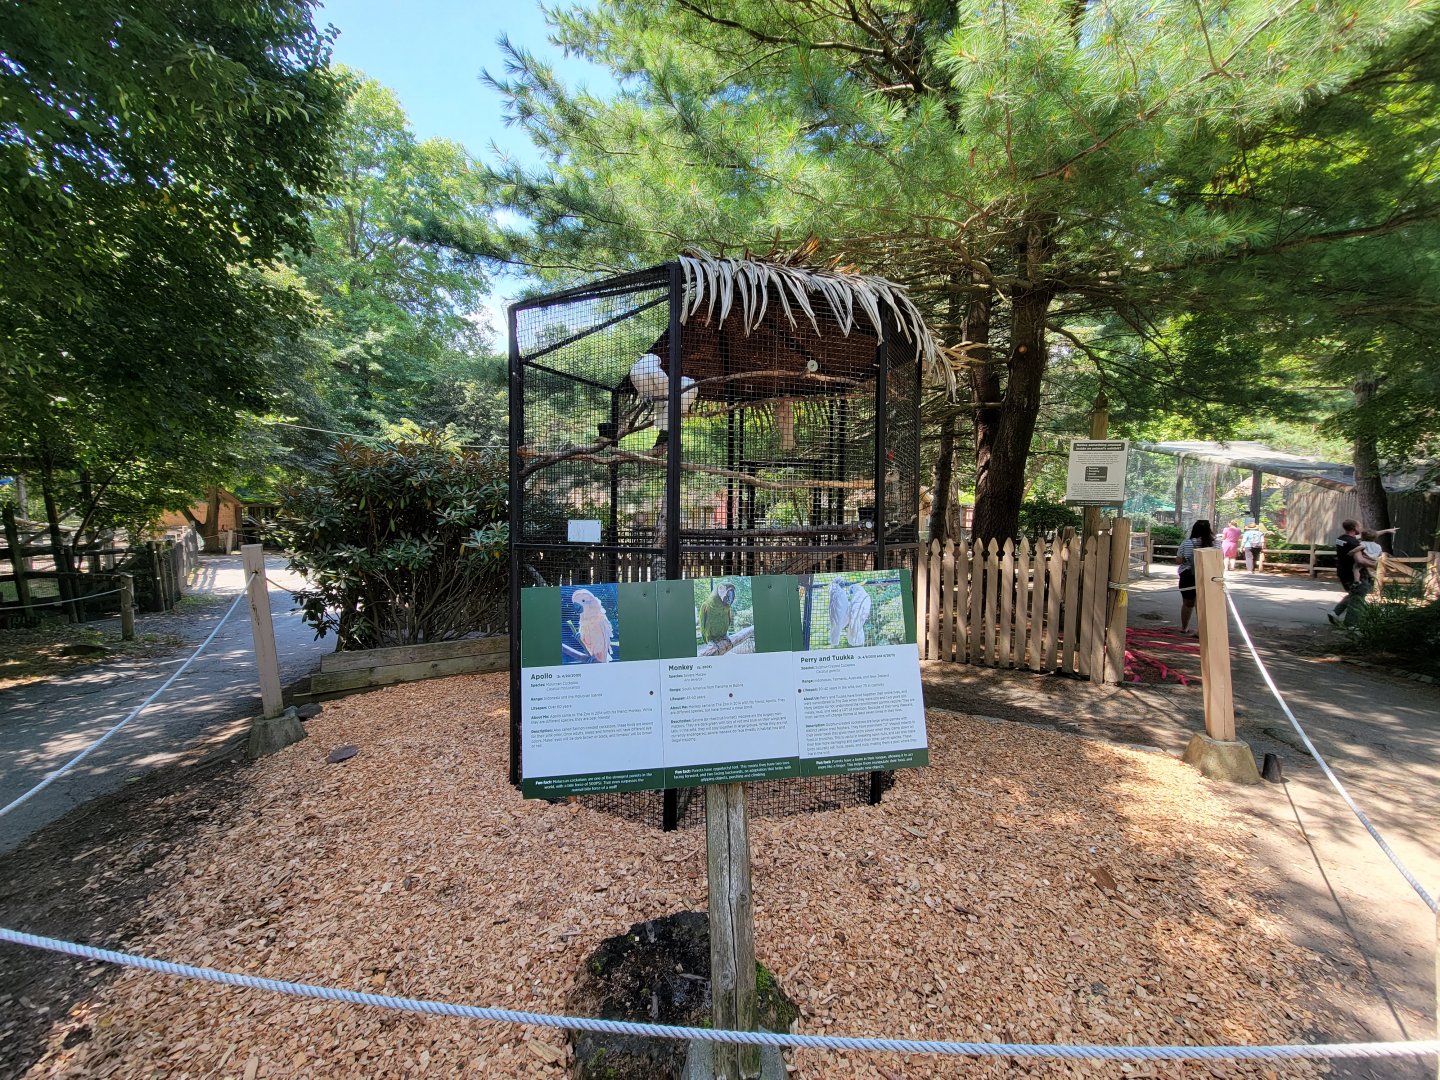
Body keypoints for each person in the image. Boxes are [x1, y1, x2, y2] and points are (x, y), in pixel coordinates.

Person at [1330, 519, 1377, 627]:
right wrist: (1374, 565)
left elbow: (1370, 535)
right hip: (1354, 573)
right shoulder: (1353, 543)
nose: (1360, 528)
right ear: (1354, 528)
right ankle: (1351, 624)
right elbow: (1360, 560)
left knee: (1353, 594)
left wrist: (1386, 531)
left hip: (1342, 571)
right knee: (1358, 597)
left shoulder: (1341, 539)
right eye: (1359, 526)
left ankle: (1335, 613)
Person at [1177, 519, 1216, 633]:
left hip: (1188, 575)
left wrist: (1187, 559)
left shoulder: (1187, 542)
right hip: (1207, 575)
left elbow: (1178, 559)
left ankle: (1184, 627)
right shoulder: (1215, 543)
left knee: (1187, 603)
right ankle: (1202, 630)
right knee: (1203, 603)